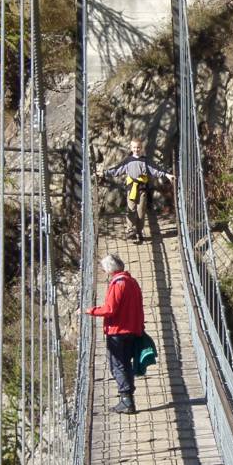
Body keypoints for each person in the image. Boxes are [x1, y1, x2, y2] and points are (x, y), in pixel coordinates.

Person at [85, 253, 144, 415]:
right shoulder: (132, 282)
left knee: (117, 365)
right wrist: (139, 326)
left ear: (110, 269)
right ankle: (128, 399)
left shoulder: (118, 284)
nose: (103, 271)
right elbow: (139, 306)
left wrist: (90, 311)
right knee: (125, 364)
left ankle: (126, 400)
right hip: (132, 329)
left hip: (118, 331)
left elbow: (110, 309)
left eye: (104, 268)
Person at [101, 137, 175, 244]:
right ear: (131, 148)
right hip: (131, 189)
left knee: (141, 211)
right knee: (130, 209)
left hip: (142, 190)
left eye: (138, 147)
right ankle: (130, 230)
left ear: (142, 148)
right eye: (134, 147)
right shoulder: (128, 161)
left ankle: (139, 232)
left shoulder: (145, 161)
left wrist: (167, 175)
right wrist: (104, 173)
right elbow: (117, 170)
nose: (136, 149)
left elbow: (156, 170)